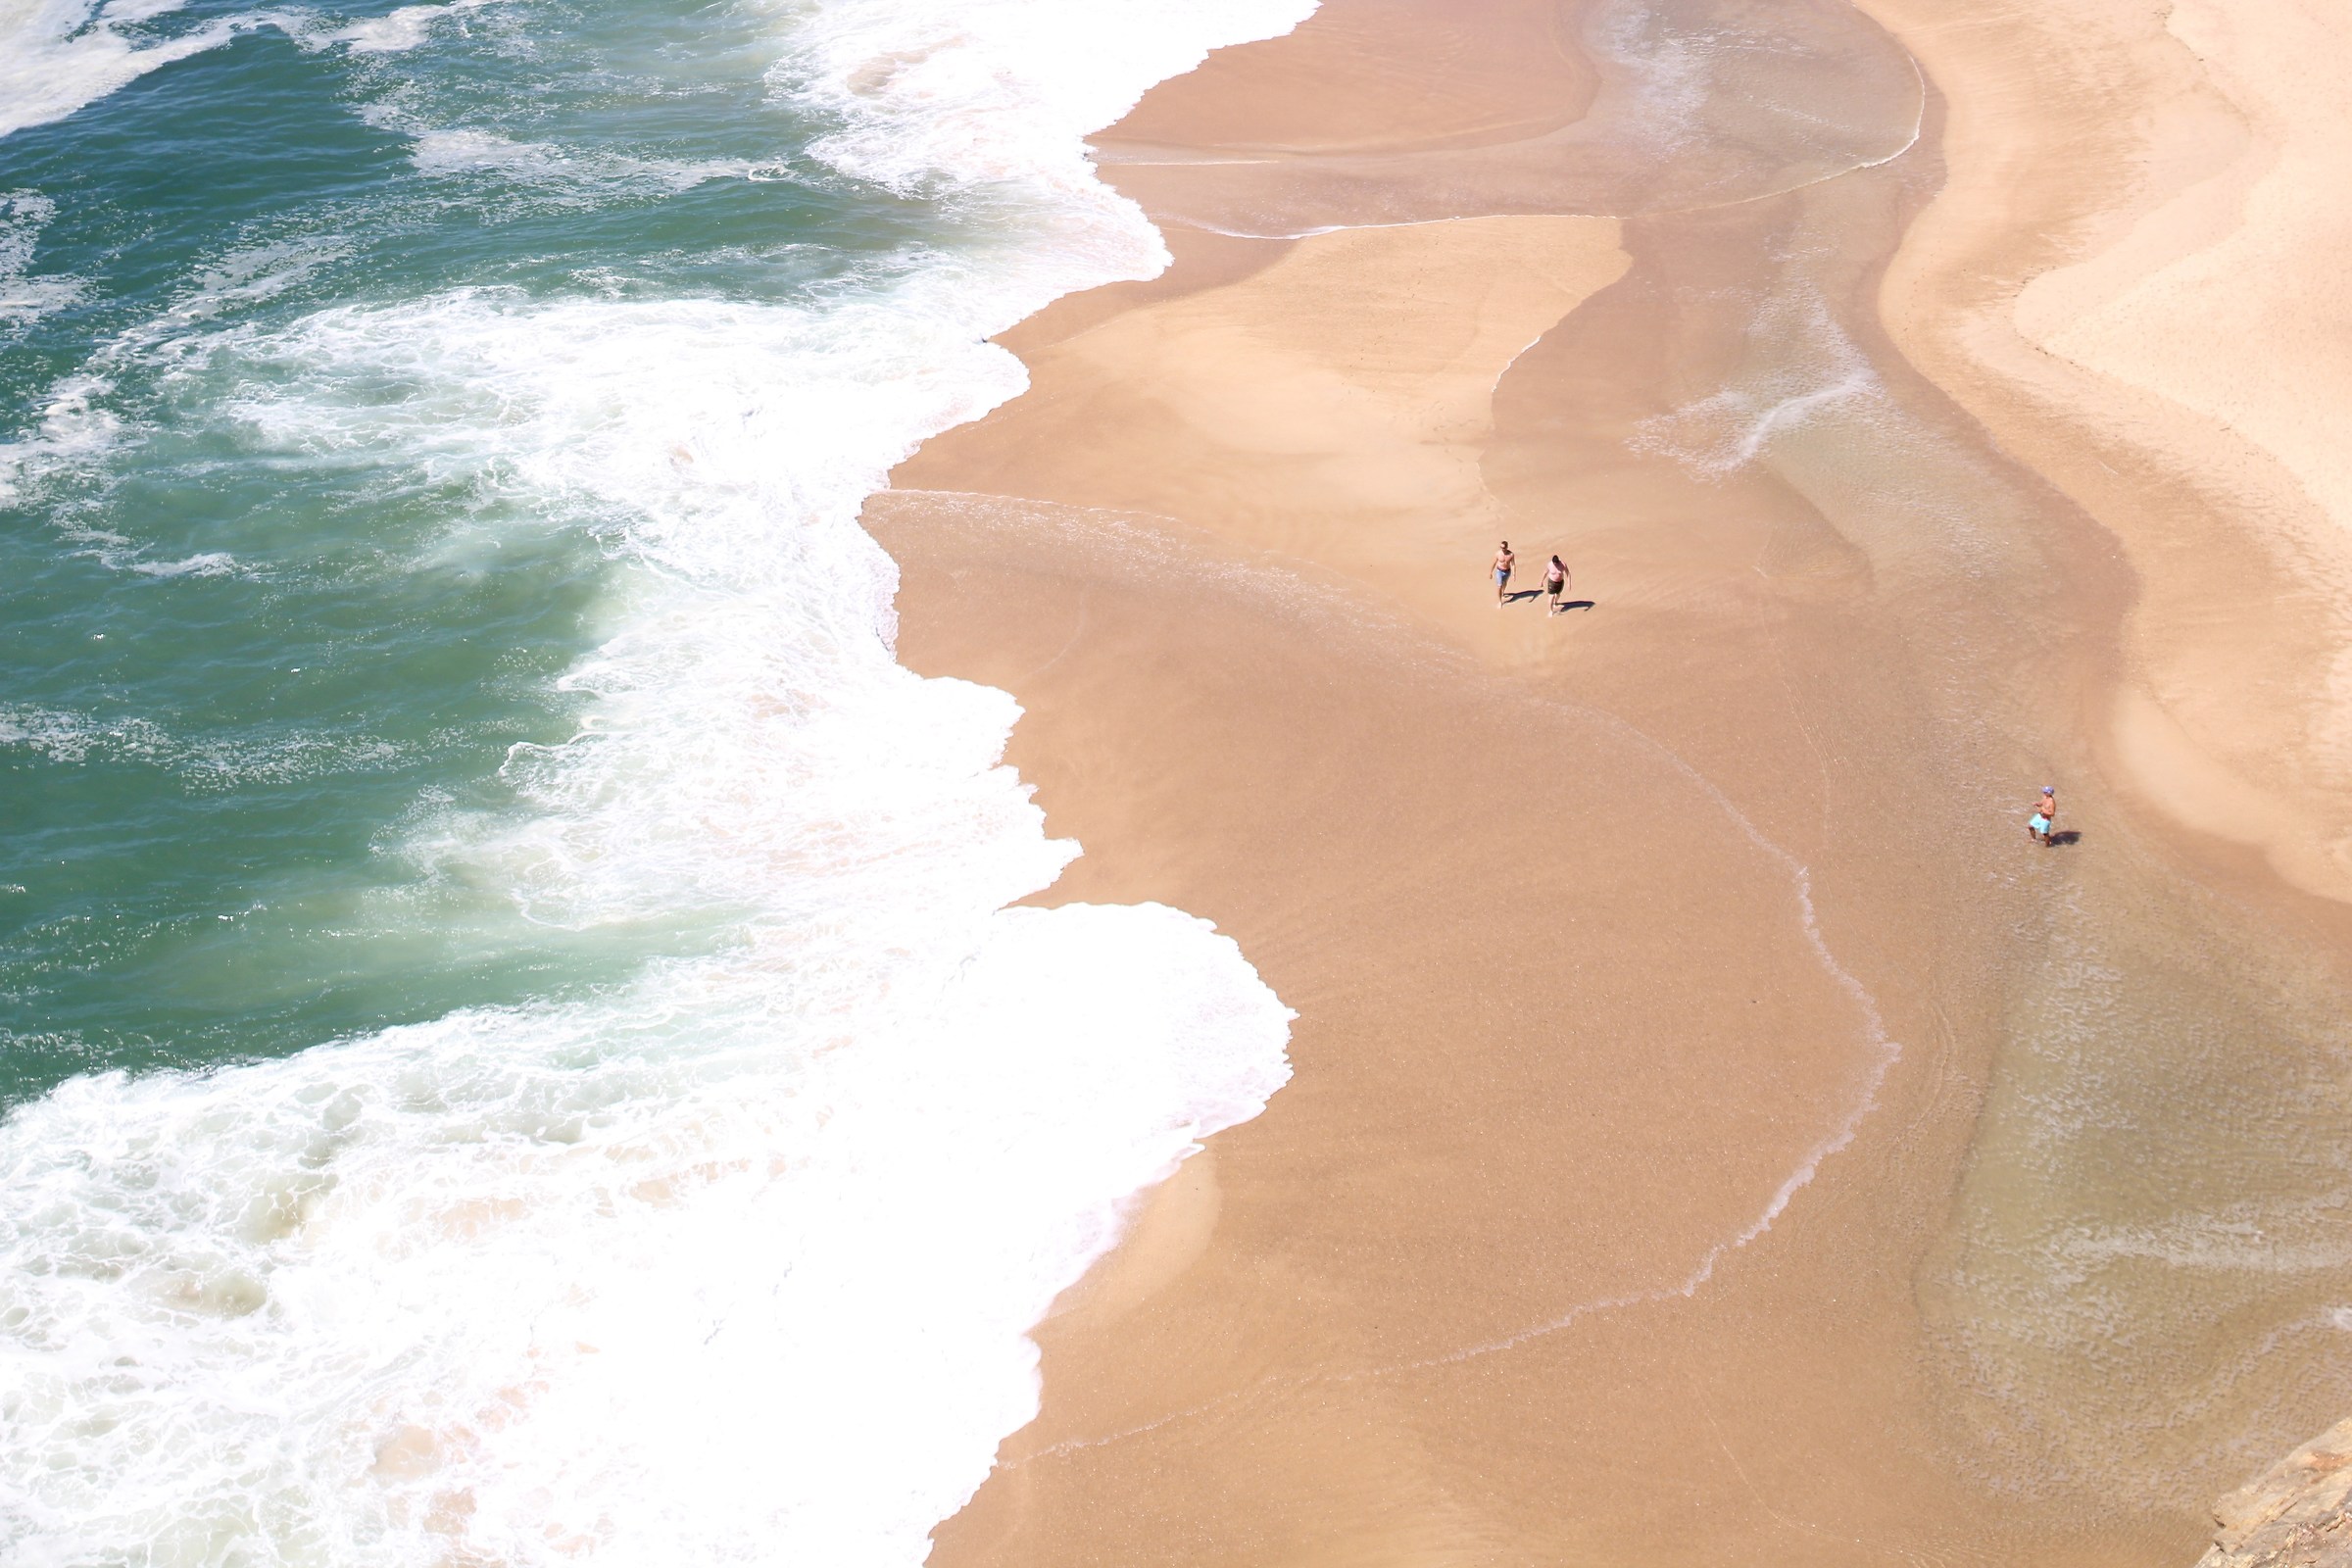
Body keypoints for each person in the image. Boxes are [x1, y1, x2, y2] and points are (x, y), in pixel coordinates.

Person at [1493, 541, 1515, 606]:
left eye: (1504, 547)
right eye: (1501, 547)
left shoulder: (1511, 554)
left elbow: (1513, 564)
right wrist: (1491, 572)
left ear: (1507, 547)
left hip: (1507, 571)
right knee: (1499, 586)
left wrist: (1514, 574)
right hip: (1499, 571)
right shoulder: (1498, 554)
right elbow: (1494, 563)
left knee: (1504, 584)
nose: (1502, 549)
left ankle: (1503, 592)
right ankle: (1500, 602)